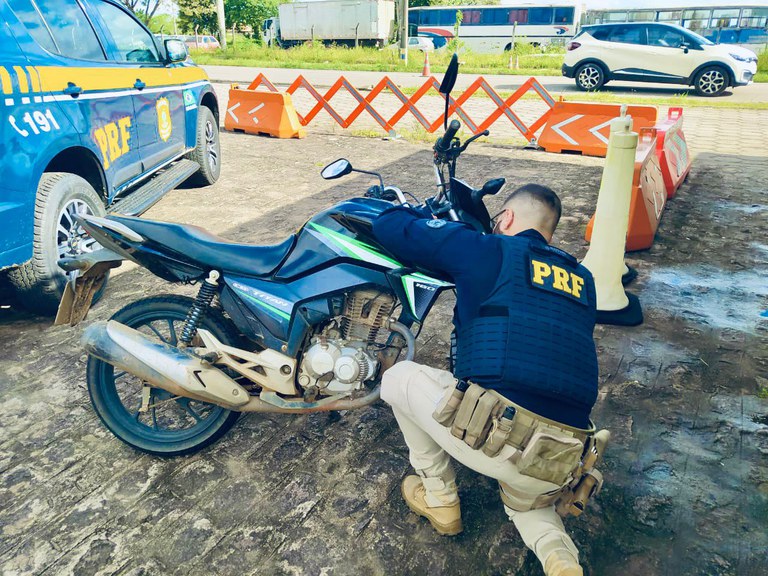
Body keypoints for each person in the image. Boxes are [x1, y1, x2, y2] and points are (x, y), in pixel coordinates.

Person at [372, 184, 602, 576]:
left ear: (506, 218)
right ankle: (559, 557)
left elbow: (390, 226)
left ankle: (440, 498)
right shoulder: (584, 280)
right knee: (526, 502)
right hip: (562, 453)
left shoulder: (490, 249)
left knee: (398, 377)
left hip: (495, 435)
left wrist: (413, 209)